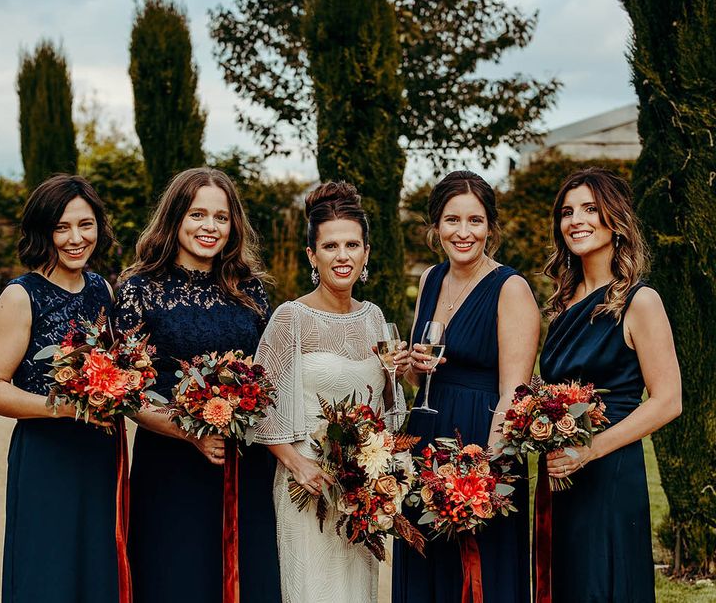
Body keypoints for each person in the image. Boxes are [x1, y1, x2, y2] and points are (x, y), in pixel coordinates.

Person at [112, 167, 280, 603]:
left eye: (221, 218)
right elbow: (124, 391)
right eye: (197, 214)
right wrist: (185, 431)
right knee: (176, 576)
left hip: (244, 461)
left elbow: (268, 373)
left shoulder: (251, 291)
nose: (210, 227)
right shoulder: (137, 290)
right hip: (170, 460)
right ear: (175, 218)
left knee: (248, 576)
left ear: (233, 225)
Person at [392, 170, 539, 603]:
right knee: (426, 566)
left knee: (475, 571)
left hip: (479, 443)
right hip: (426, 438)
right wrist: (411, 365)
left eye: (475, 221)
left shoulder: (510, 288)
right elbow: (424, 373)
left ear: (490, 227)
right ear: (435, 226)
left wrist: (484, 475)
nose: (463, 232)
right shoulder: (430, 279)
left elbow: (515, 391)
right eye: (452, 220)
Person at [0, 174, 122, 603]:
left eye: (86, 224)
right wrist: (63, 407)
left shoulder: (102, 290)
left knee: (96, 575)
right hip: (47, 456)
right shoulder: (21, 297)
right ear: (44, 231)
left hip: (99, 455)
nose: (76, 238)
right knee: (48, 575)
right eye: (62, 227)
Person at [538, 167, 681, 602]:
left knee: (604, 584)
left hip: (610, 471)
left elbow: (668, 401)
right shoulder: (564, 305)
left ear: (614, 219)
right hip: (563, 473)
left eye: (589, 209)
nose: (575, 220)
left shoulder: (640, 300)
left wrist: (591, 450)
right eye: (566, 212)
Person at [255, 181, 398, 603]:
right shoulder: (290, 319)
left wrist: (398, 376)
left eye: (352, 245)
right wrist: (298, 465)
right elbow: (262, 405)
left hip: (360, 489)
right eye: (330, 246)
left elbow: (388, 407)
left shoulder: (375, 318)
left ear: (366, 253)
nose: (342, 256)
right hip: (308, 484)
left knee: (358, 591)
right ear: (311, 256)